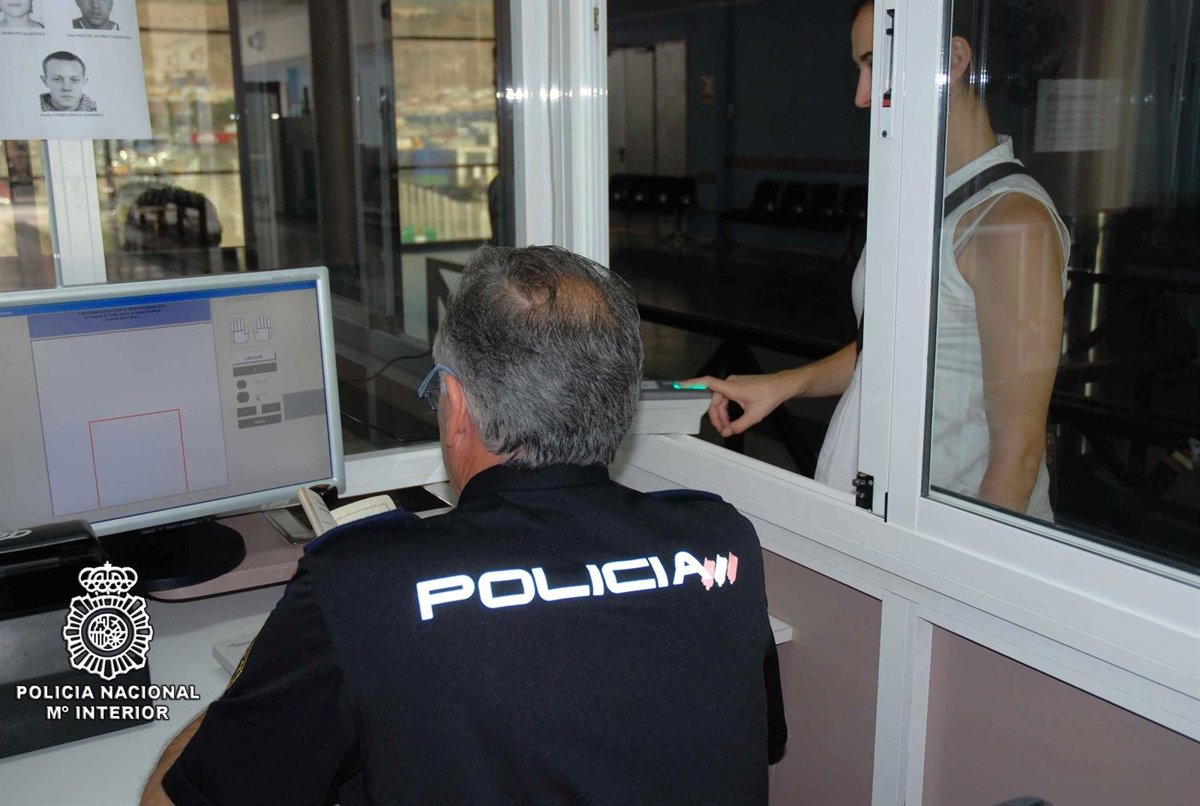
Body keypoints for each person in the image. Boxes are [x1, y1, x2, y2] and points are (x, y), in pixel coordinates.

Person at [141, 245, 787, 805]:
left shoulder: (362, 586)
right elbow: (753, 743)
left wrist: (259, 690)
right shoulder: (720, 543)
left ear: (454, 406)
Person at [689, 0, 1069, 519]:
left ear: (955, 61)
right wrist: (782, 385)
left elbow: (1019, 454)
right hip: (878, 510)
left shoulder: (1011, 221)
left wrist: (950, 566)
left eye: (875, 65)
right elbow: (896, 346)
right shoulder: (927, 200)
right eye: (860, 69)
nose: (862, 96)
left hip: (941, 521)